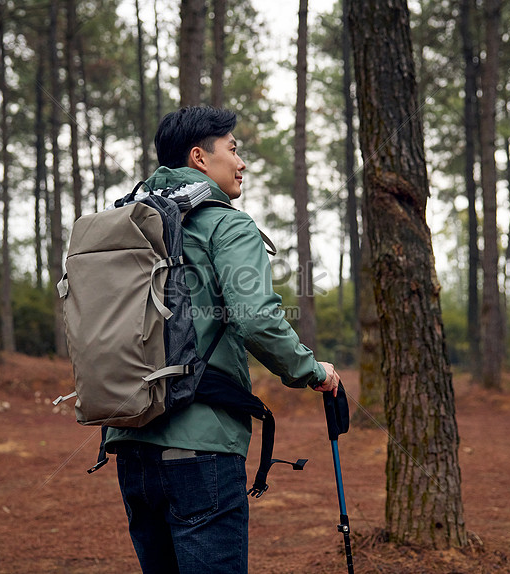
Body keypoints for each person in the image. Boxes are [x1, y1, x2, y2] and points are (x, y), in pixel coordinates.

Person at [104, 106, 341, 574]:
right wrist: (312, 370)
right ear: (198, 157)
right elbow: (255, 318)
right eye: (232, 149)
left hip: (129, 444)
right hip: (202, 448)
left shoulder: (126, 224)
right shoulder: (225, 223)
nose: (242, 162)